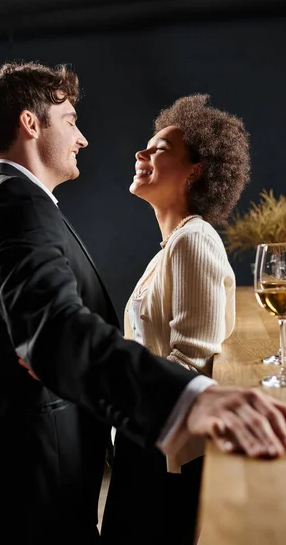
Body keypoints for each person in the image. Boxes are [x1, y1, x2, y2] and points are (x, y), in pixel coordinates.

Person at [0, 63, 286, 545]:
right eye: (71, 119)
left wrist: (47, 349)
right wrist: (187, 398)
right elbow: (54, 332)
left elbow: (38, 334)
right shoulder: (17, 203)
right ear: (31, 124)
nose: (83, 138)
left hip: (16, 471)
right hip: (32, 475)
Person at [101, 95, 251, 544]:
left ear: (195, 171)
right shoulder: (174, 246)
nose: (140, 154)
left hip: (164, 451)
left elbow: (194, 360)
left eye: (159, 148)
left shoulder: (194, 241)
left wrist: (113, 393)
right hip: (149, 434)